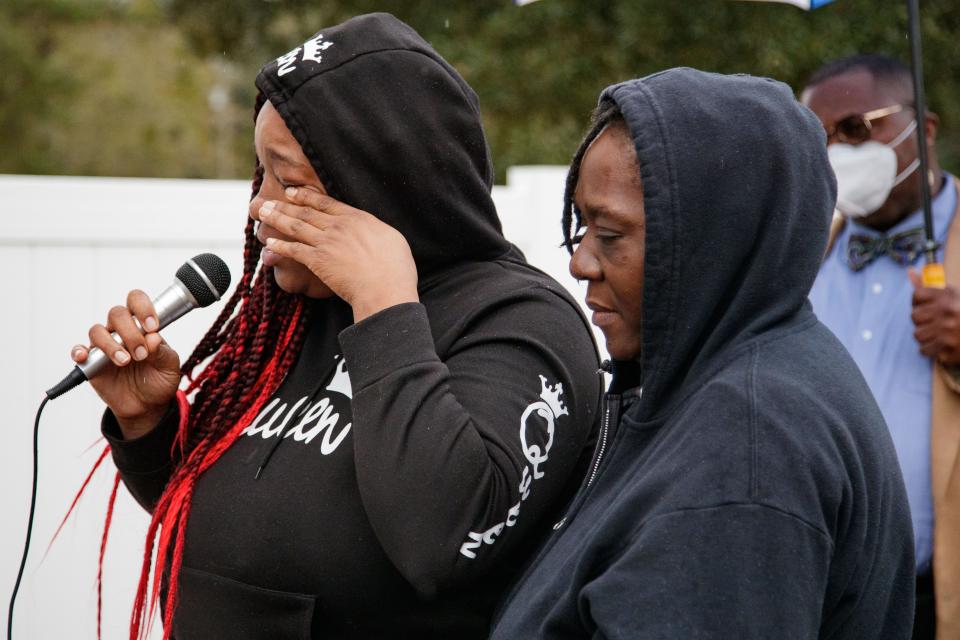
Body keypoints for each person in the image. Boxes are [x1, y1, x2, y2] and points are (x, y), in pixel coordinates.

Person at [69, 13, 601, 639]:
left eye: (287, 180)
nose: (258, 206)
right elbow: (241, 532)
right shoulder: (296, 315)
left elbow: (447, 541)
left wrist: (385, 308)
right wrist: (150, 427)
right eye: (259, 173)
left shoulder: (522, 323)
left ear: (381, 188)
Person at [490, 68, 916, 639]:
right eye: (581, 227)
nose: (580, 262)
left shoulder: (749, 443)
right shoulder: (738, 374)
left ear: (712, 238)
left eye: (610, 234)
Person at [801, 53, 960, 640]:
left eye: (857, 129)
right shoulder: (800, 255)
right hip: (817, 590)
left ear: (926, 130)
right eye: (818, 138)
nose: (838, 153)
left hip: (934, 597)